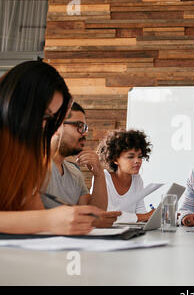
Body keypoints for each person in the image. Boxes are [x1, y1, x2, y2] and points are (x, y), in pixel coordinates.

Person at [0, 61, 109, 235]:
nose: (45, 127)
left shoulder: (25, 155)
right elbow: (40, 219)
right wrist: (48, 220)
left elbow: (32, 212)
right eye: (44, 115)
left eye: (50, 120)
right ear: (15, 101)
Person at [41, 101, 120, 227]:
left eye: (85, 128)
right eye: (79, 126)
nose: (84, 133)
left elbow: (95, 213)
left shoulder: (74, 172)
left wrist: (99, 174)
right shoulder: (33, 166)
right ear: (57, 126)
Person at [97, 129, 154, 223]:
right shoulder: (103, 178)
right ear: (115, 159)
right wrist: (146, 216)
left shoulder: (137, 180)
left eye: (139, 156)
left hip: (129, 233)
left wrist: (154, 216)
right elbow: (107, 215)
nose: (137, 161)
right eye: (131, 157)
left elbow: (141, 212)